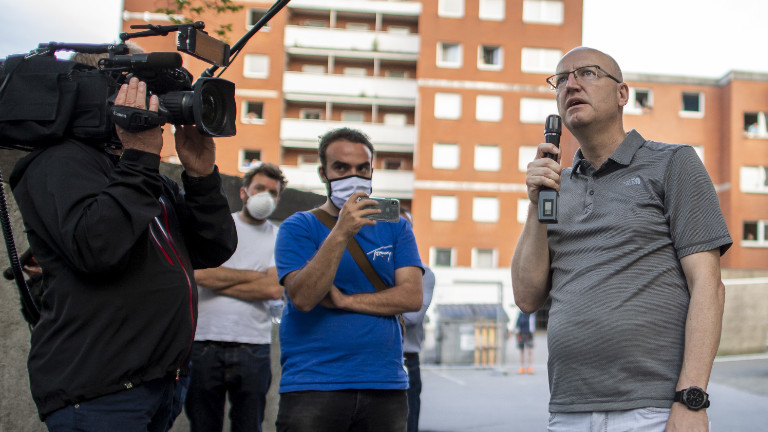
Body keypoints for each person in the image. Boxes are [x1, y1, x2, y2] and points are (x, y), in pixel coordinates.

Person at [511, 47, 732, 432]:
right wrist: (535, 206)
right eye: (561, 79)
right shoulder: (554, 188)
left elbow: (708, 285)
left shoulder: (673, 163)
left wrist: (691, 399)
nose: (571, 84)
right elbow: (527, 298)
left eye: (587, 73)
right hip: (568, 408)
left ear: (622, 94)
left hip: (653, 408)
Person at [9, 76, 237, 431]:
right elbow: (97, 248)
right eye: (140, 91)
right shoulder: (61, 161)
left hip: (156, 383)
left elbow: (213, 248)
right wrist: (138, 159)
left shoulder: (142, 174)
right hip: (101, 390)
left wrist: (201, 177)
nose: (154, 105)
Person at [273, 127, 424, 432]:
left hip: (385, 384)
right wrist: (341, 231)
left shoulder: (396, 227)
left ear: (371, 171)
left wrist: (344, 300)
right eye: (341, 168)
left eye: (361, 168)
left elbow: (411, 297)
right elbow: (303, 297)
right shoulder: (298, 226)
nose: (353, 176)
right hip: (313, 384)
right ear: (323, 173)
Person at [184, 163, 287, 432]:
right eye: (260, 188)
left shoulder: (280, 237)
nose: (266, 195)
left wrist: (219, 279)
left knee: (249, 426)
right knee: (203, 426)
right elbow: (198, 275)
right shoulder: (218, 228)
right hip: (204, 343)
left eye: (273, 192)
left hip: (253, 347)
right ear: (244, 192)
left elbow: (274, 289)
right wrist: (256, 275)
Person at [399, 208, 435, 432]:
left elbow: (412, 316)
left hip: (406, 360)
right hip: (372, 361)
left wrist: (365, 303)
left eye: (406, 228)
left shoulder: (424, 274)